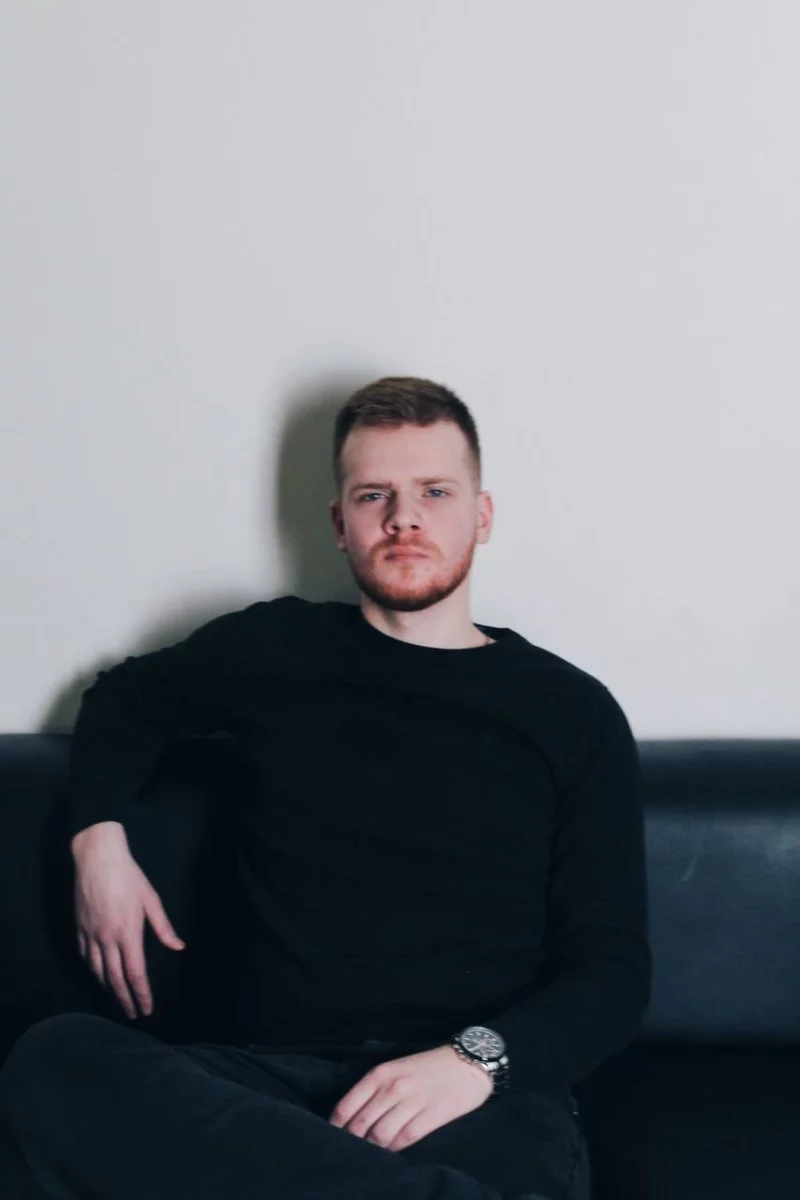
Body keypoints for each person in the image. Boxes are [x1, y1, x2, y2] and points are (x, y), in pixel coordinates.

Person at [0, 376, 651, 1200]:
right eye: (375, 495)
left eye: (435, 492)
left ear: (481, 516)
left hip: (470, 1097)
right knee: (54, 1059)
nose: (404, 518)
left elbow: (612, 976)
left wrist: (472, 1063)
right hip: (267, 1086)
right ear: (341, 524)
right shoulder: (275, 648)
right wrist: (98, 841)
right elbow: (122, 703)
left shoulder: (571, 712)